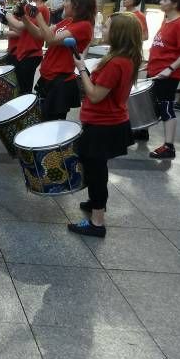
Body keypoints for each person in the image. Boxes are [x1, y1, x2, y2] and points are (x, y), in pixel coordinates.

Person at [70, 12, 142, 238]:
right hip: (110, 122)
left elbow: (95, 95)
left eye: (108, 27)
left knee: (96, 171)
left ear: (119, 33)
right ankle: (94, 203)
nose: (103, 29)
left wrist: (81, 70)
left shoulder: (116, 62)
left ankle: (97, 221)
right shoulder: (124, 58)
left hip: (103, 125)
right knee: (95, 168)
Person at [22, 0, 96, 121]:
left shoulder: (84, 26)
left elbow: (51, 39)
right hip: (48, 78)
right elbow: (41, 35)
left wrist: (38, 15)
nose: (64, 4)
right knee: (41, 123)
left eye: (67, 1)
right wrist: (24, 17)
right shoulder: (68, 21)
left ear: (77, 5)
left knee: (50, 127)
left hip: (60, 83)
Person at [140, 0, 180, 159]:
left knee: (166, 107)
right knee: (149, 103)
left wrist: (170, 68)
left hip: (167, 75)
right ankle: (143, 132)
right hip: (155, 71)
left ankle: (169, 146)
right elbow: (163, 48)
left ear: (174, 4)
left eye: (165, 0)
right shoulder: (167, 21)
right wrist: (148, 64)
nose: (161, 2)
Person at [6, 0, 54, 95]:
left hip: (30, 54)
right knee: (20, 89)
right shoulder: (34, 8)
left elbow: (20, 26)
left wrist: (7, 15)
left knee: (24, 91)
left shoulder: (41, 10)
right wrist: (8, 21)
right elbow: (20, 30)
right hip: (24, 53)